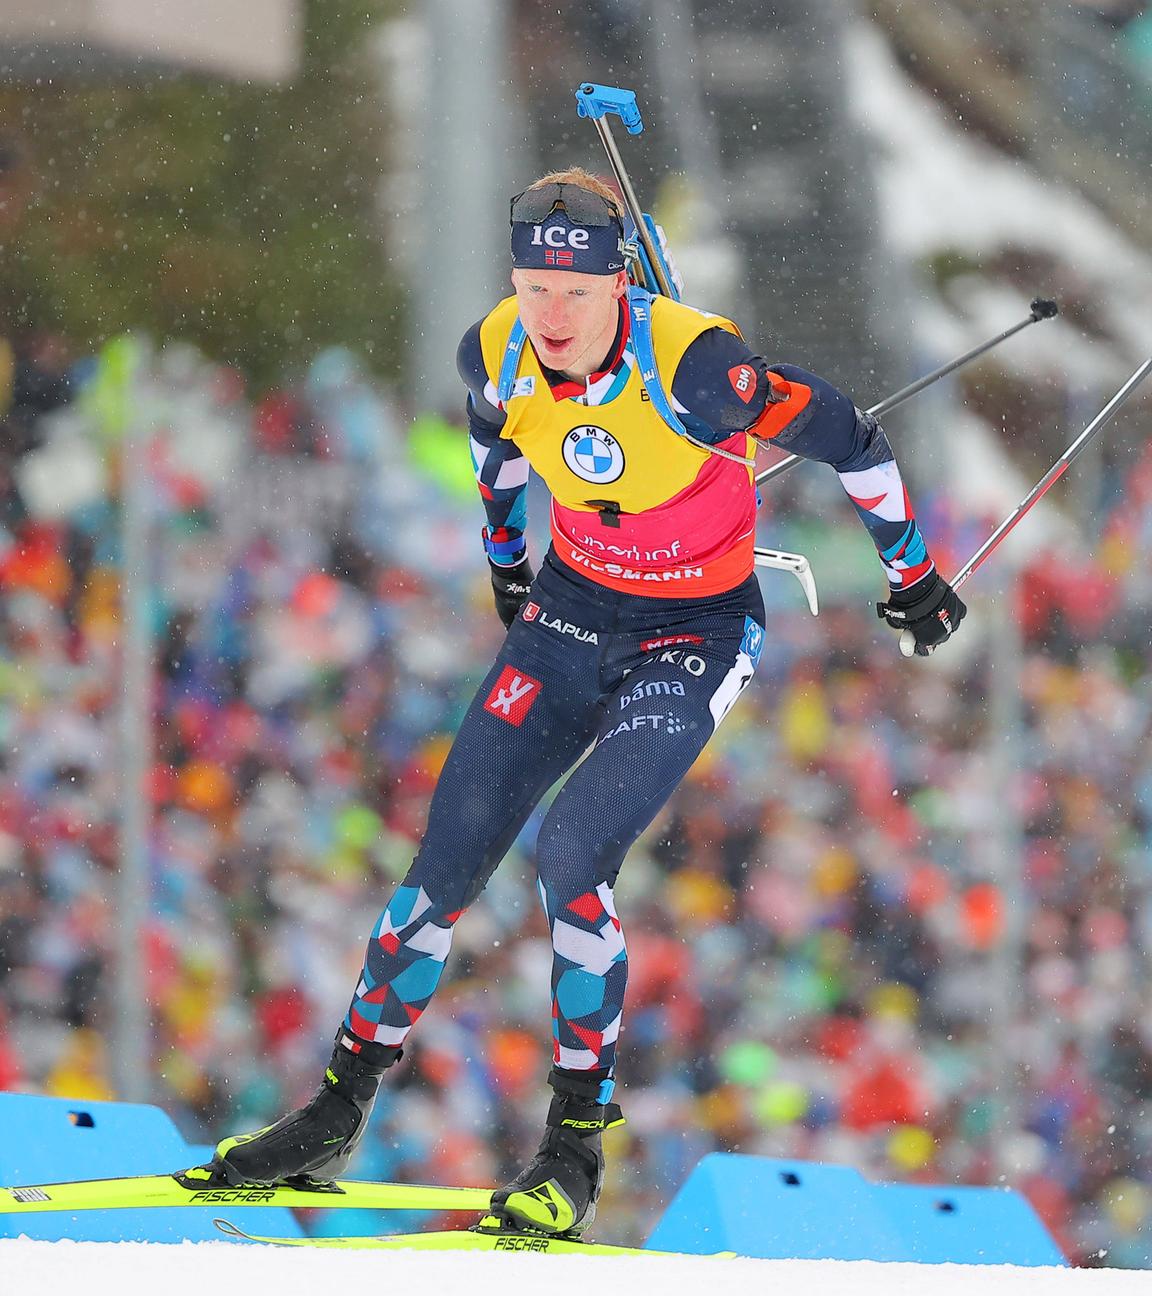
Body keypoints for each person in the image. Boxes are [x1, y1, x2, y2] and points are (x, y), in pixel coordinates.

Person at [208, 167, 965, 1236]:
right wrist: (507, 563)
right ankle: (336, 1111)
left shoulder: (702, 369)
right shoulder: (500, 345)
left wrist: (914, 576)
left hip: (691, 636)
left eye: (575, 293)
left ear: (622, 286)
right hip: (569, 613)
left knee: (571, 857)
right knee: (445, 864)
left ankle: (571, 1152)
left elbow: (854, 440)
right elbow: (492, 445)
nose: (551, 316)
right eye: (534, 289)